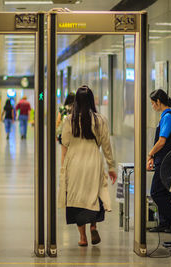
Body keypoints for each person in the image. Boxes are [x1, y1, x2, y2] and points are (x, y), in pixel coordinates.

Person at [59, 85, 117, 247]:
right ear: (92, 100)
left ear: (76, 101)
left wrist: (63, 169)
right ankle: (93, 226)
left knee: (77, 199)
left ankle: (83, 238)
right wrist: (111, 167)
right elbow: (106, 146)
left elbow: (65, 145)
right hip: (94, 161)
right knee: (94, 194)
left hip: (75, 162)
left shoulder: (69, 120)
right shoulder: (100, 120)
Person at [146, 89, 171, 233]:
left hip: (167, 161)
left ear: (158, 102)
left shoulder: (167, 117)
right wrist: (154, 157)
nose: (152, 106)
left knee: (156, 192)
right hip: (164, 159)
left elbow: (162, 141)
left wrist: (150, 154)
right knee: (164, 192)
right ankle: (165, 223)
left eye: (153, 103)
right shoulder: (165, 116)